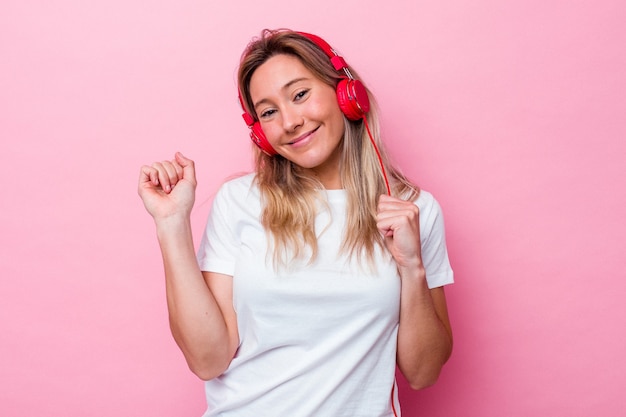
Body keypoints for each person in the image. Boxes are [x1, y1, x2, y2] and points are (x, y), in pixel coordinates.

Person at [138, 29, 454, 417]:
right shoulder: (240, 201)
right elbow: (208, 360)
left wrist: (412, 267)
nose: (289, 121)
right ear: (260, 132)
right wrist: (171, 225)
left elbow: (423, 373)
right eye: (268, 112)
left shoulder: (412, 210)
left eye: (300, 94)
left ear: (346, 94)